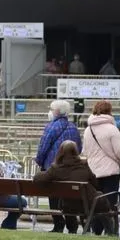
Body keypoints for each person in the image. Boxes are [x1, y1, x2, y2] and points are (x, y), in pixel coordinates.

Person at [34, 140, 104, 233]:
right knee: (92, 196)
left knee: (69, 200)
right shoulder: (84, 166)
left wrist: (40, 173)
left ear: (60, 152)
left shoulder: (56, 169)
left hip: (66, 206)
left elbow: (39, 179)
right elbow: (95, 183)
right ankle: (88, 229)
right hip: (85, 205)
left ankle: (72, 229)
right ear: (76, 152)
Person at [82, 100, 120, 235]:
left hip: (93, 170)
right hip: (110, 170)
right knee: (109, 202)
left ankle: (96, 230)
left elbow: (85, 151)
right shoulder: (112, 129)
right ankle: (110, 230)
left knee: (96, 202)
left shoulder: (88, 130)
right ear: (109, 111)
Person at [36, 99, 82, 233]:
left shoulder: (51, 127)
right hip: (70, 169)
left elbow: (43, 147)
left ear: (56, 111)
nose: (50, 112)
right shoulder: (73, 127)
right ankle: (72, 224)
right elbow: (79, 147)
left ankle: (58, 223)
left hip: (53, 168)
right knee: (68, 197)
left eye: (51, 109)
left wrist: (40, 162)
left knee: (54, 198)